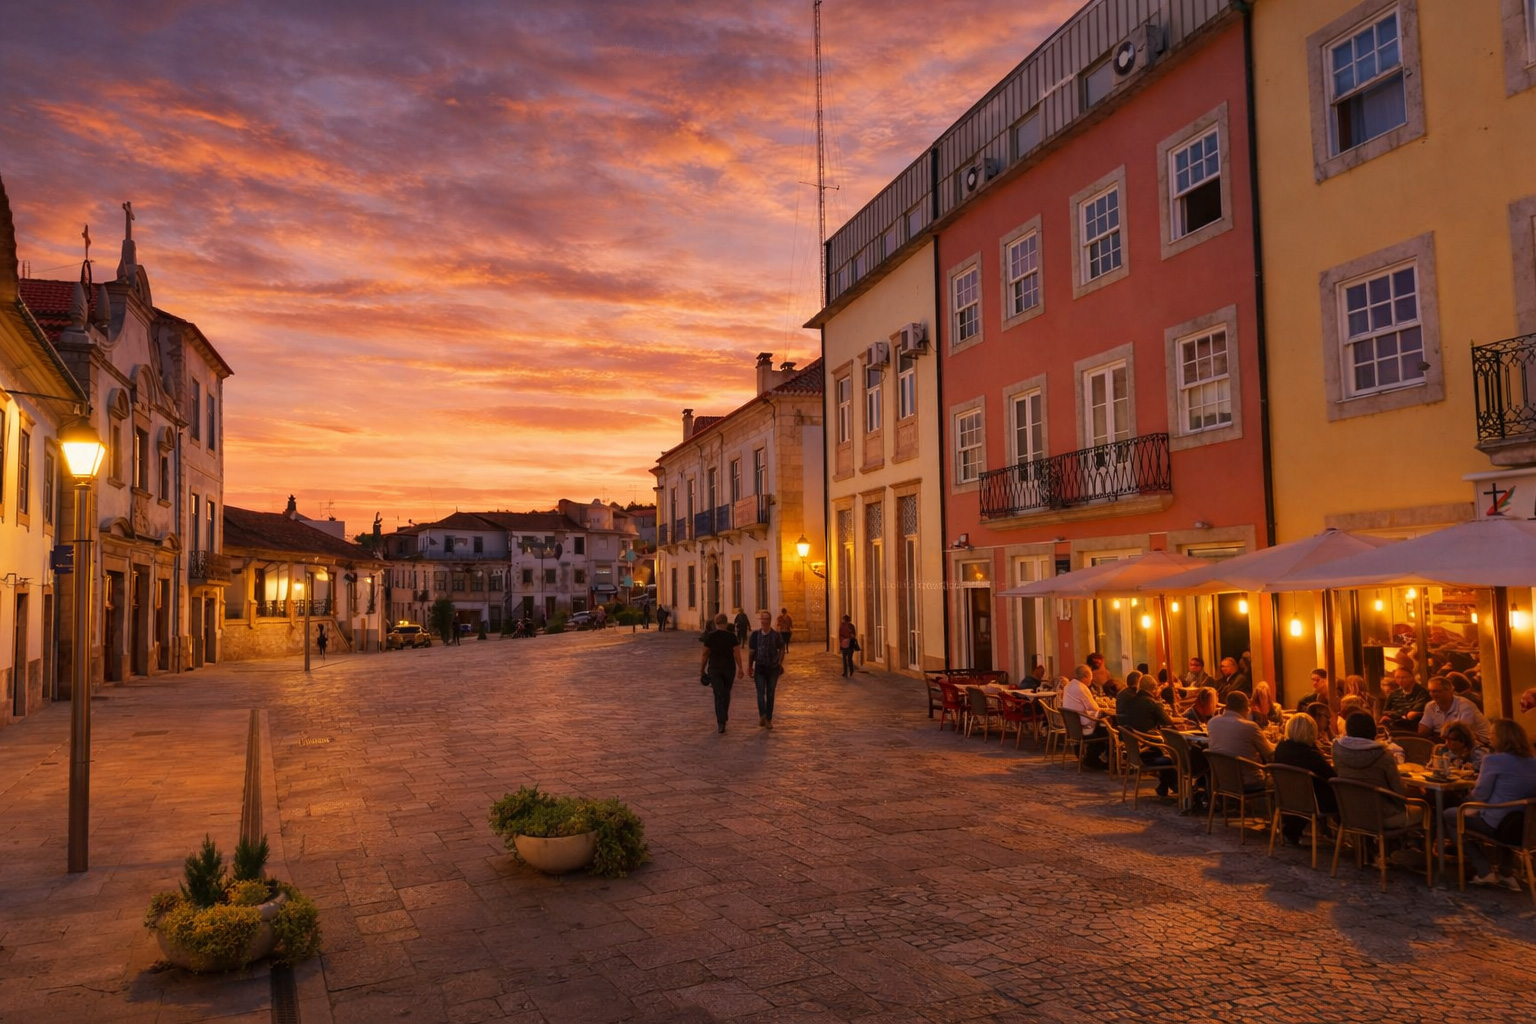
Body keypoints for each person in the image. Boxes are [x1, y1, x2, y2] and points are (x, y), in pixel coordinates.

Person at [1444, 719, 1536, 889]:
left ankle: (1483, 869)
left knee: (1450, 815)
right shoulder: (1533, 761)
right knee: (1509, 814)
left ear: (1502, 738)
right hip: (1525, 825)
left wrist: (1466, 800)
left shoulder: (1494, 760)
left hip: (1496, 823)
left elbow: (1481, 795)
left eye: (1492, 734)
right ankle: (1505, 872)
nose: (1490, 737)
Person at [1333, 711, 1413, 828]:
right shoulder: (1384, 754)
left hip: (1349, 811)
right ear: (1373, 730)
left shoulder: (1337, 749)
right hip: (1383, 814)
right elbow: (1399, 791)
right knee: (1426, 811)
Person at [1271, 713, 1337, 846]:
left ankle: (1293, 829)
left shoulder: (1281, 748)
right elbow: (1332, 776)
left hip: (1287, 796)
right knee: (1340, 796)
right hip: (1312, 801)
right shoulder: (1311, 755)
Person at [1120, 676, 1177, 797]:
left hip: (1133, 749)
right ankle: (1175, 785)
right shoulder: (1152, 702)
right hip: (1148, 749)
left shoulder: (1129, 701)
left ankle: (1165, 786)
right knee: (1174, 755)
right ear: (1154, 689)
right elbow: (1167, 722)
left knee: (1167, 752)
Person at [1207, 691, 1274, 789]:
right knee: (1280, 780)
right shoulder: (1250, 727)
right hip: (1248, 781)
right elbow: (1270, 754)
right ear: (1245, 708)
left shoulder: (1212, 723)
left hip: (1222, 780)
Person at [699, 613, 744, 733]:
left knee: (718, 694)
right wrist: (740, 668)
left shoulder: (710, 637)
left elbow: (705, 654)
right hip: (729, 668)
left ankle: (721, 721)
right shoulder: (732, 637)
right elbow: (736, 653)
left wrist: (702, 670)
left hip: (715, 669)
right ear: (726, 622)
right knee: (726, 692)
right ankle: (723, 716)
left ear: (716, 623)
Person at [1419, 676, 1492, 745]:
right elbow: (1423, 731)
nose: (1432, 694)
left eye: (1436, 691)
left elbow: (1461, 733)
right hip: (1450, 741)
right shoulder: (1431, 706)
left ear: (1450, 691)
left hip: (1479, 742)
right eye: (1430, 691)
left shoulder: (1464, 705)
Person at [1063, 665, 1110, 770]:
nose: (1091, 680)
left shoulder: (1068, 686)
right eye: (1091, 677)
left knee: (1102, 726)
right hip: (1083, 728)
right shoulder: (1081, 688)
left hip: (1073, 727)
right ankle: (1093, 759)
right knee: (1107, 730)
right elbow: (1094, 707)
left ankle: (1090, 758)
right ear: (1085, 676)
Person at [747, 609, 786, 730]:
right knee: (760, 693)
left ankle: (769, 719)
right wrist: (749, 666)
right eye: (762, 619)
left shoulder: (776, 635)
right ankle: (762, 714)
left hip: (773, 668)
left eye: (766, 619)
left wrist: (780, 662)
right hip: (759, 667)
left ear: (770, 620)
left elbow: (782, 648)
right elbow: (751, 651)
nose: (764, 621)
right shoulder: (755, 635)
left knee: (770, 693)